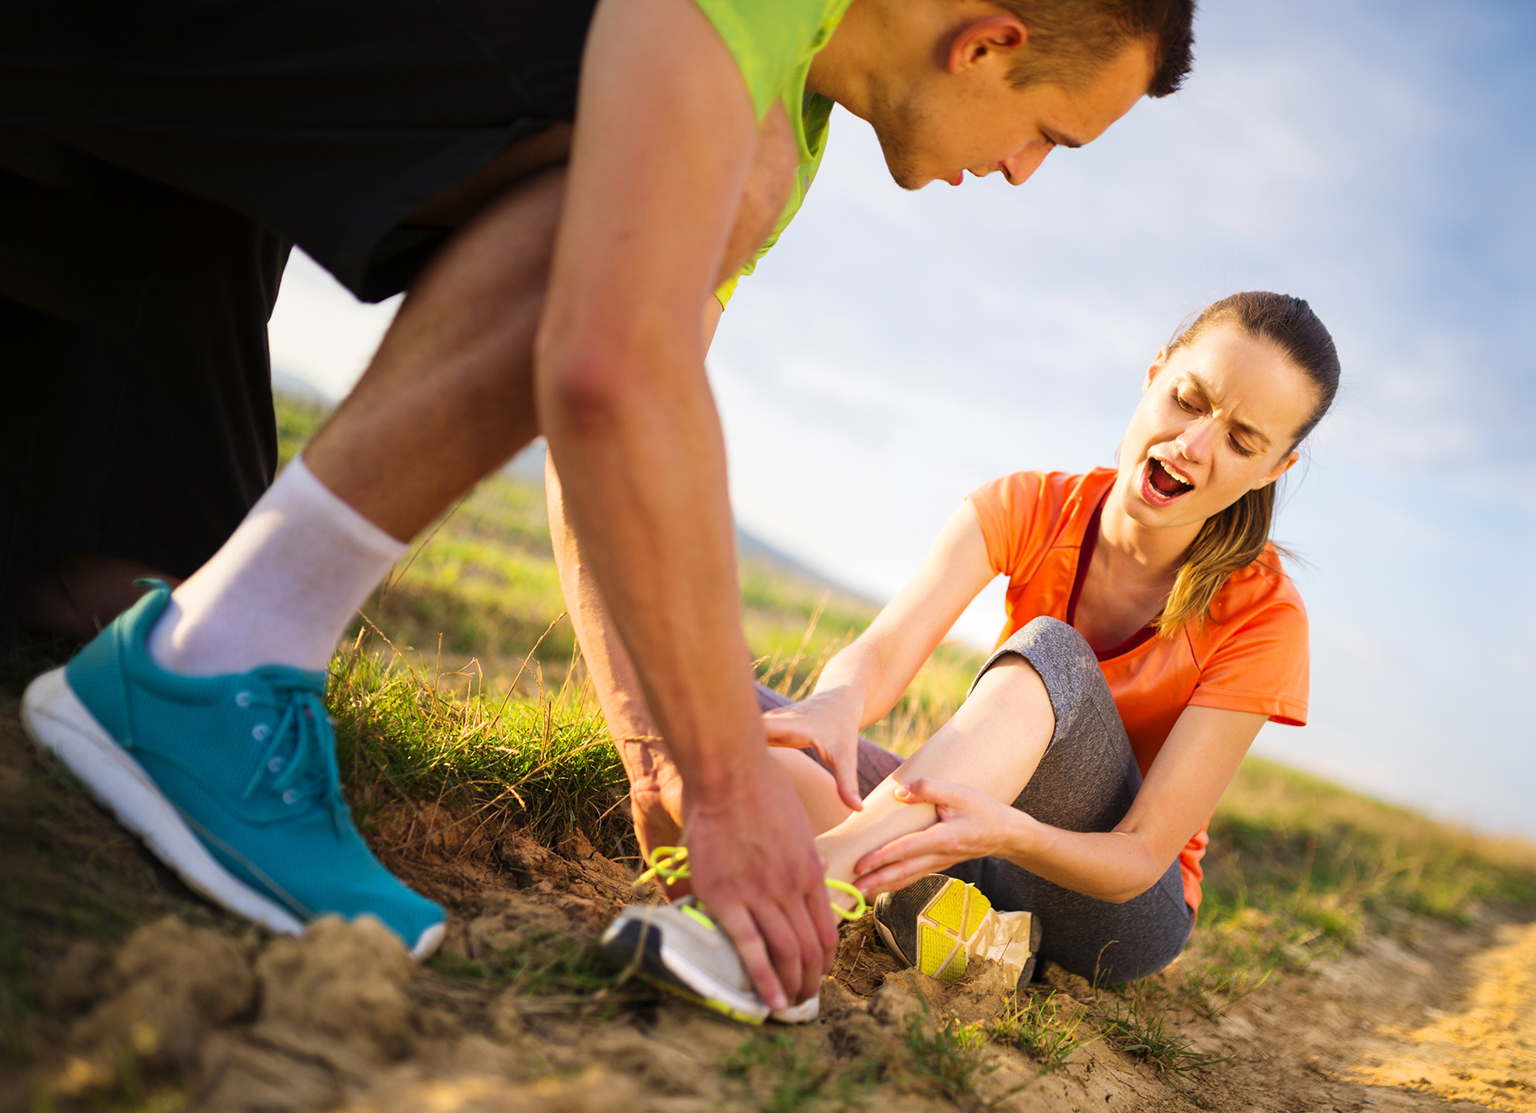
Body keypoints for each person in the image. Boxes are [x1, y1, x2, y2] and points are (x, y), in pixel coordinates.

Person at [9, 0, 1198, 1019]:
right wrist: (724, 786)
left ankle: (198, 646)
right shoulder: (747, 102)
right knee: (670, 180)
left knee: (107, 581)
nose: (1022, 172)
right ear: (986, 44)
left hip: (119, 170)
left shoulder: (787, 111)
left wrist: (658, 755)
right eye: (1049, 135)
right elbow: (607, 370)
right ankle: (216, 664)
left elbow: (620, 410)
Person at [599, 291, 1337, 1022]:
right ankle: (949, 921)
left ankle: (790, 914)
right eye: (1187, 399)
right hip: (969, 831)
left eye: (1241, 442)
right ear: (1154, 376)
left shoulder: (1266, 616)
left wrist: (1007, 832)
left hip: (1112, 911)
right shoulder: (1025, 505)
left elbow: (1139, 859)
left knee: (1051, 648)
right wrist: (836, 704)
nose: (1194, 446)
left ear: (1274, 469)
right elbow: (883, 655)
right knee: (714, 711)